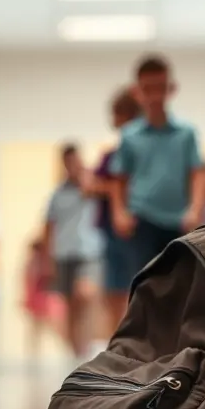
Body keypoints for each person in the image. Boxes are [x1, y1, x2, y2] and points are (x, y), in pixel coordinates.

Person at [109, 55, 205, 280]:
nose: (154, 96)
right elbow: (118, 179)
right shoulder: (129, 136)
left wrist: (195, 209)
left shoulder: (186, 133)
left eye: (160, 88)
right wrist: (119, 213)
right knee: (145, 288)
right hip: (142, 221)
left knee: (180, 286)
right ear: (137, 92)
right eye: (148, 89)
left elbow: (197, 173)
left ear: (171, 89)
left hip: (179, 223)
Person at [43, 143, 102, 358]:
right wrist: (48, 259)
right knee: (69, 306)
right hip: (63, 253)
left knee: (84, 296)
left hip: (89, 252)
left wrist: (89, 184)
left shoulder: (94, 186)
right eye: (69, 162)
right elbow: (48, 228)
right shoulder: (57, 195)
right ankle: (75, 355)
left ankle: (86, 351)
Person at [90, 87, 142, 333]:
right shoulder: (111, 156)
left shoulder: (144, 156)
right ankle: (118, 349)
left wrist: (111, 189)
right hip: (112, 233)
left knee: (138, 293)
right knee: (113, 294)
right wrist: (110, 189)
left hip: (137, 231)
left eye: (117, 115)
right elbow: (90, 185)